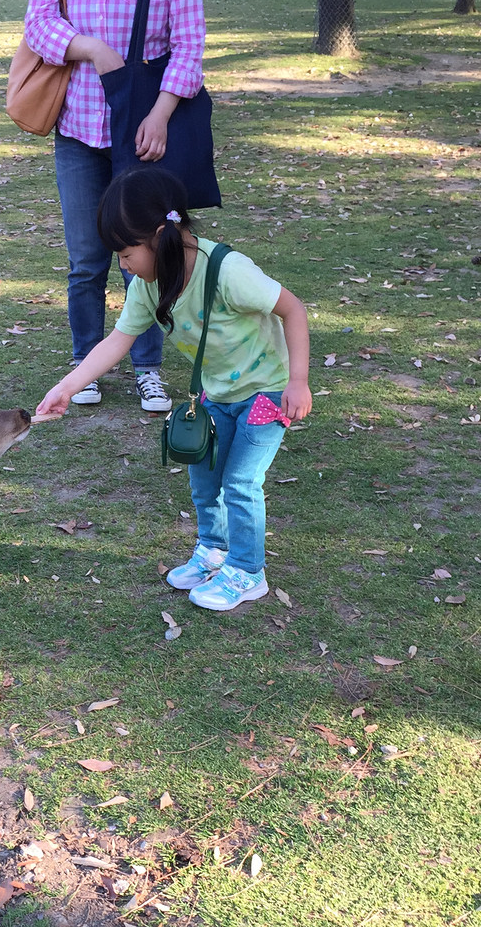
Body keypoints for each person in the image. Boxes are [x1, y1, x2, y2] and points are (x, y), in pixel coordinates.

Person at [35, 168, 312, 613]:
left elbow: (293, 309)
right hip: (214, 394)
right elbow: (118, 340)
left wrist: (298, 381)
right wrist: (67, 386)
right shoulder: (149, 284)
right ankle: (213, 551)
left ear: (161, 235)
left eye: (126, 254)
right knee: (203, 476)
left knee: (240, 481)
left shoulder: (229, 272)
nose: (122, 265)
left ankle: (247, 570)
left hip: (268, 393)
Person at [23, 0, 206, 415]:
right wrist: (91, 48)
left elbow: (189, 39)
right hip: (78, 124)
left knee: (143, 254)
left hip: (144, 125)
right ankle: (85, 363)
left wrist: (163, 112)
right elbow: (38, 20)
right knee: (86, 260)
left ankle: (147, 369)